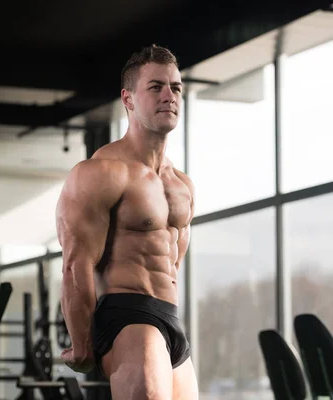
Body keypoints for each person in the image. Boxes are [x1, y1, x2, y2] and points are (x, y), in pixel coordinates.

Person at [55, 44, 199, 400]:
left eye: (176, 87)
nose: (170, 96)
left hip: (171, 318)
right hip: (127, 316)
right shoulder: (100, 172)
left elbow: (172, 265)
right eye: (156, 87)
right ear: (128, 99)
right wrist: (82, 341)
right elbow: (76, 265)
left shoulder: (181, 185)